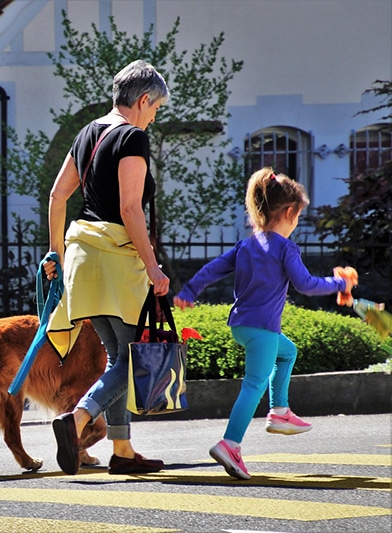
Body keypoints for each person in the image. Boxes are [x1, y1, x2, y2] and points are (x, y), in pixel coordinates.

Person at [173, 167, 355, 480]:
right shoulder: (285, 248)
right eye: (298, 215)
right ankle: (230, 443)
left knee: (287, 352)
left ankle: (280, 411)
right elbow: (306, 284)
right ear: (290, 212)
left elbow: (213, 268)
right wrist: (339, 283)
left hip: (241, 327)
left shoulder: (246, 245)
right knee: (254, 385)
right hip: (263, 330)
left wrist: (189, 291)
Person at [41, 59, 170, 476]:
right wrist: (153, 267)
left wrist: (55, 254)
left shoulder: (87, 133)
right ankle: (77, 420)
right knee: (133, 360)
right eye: (156, 108)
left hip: (82, 257)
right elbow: (130, 208)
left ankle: (124, 452)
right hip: (116, 257)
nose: (154, 116)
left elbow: (58, 196)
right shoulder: (132, 137)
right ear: (144, 98)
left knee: (118, 356)